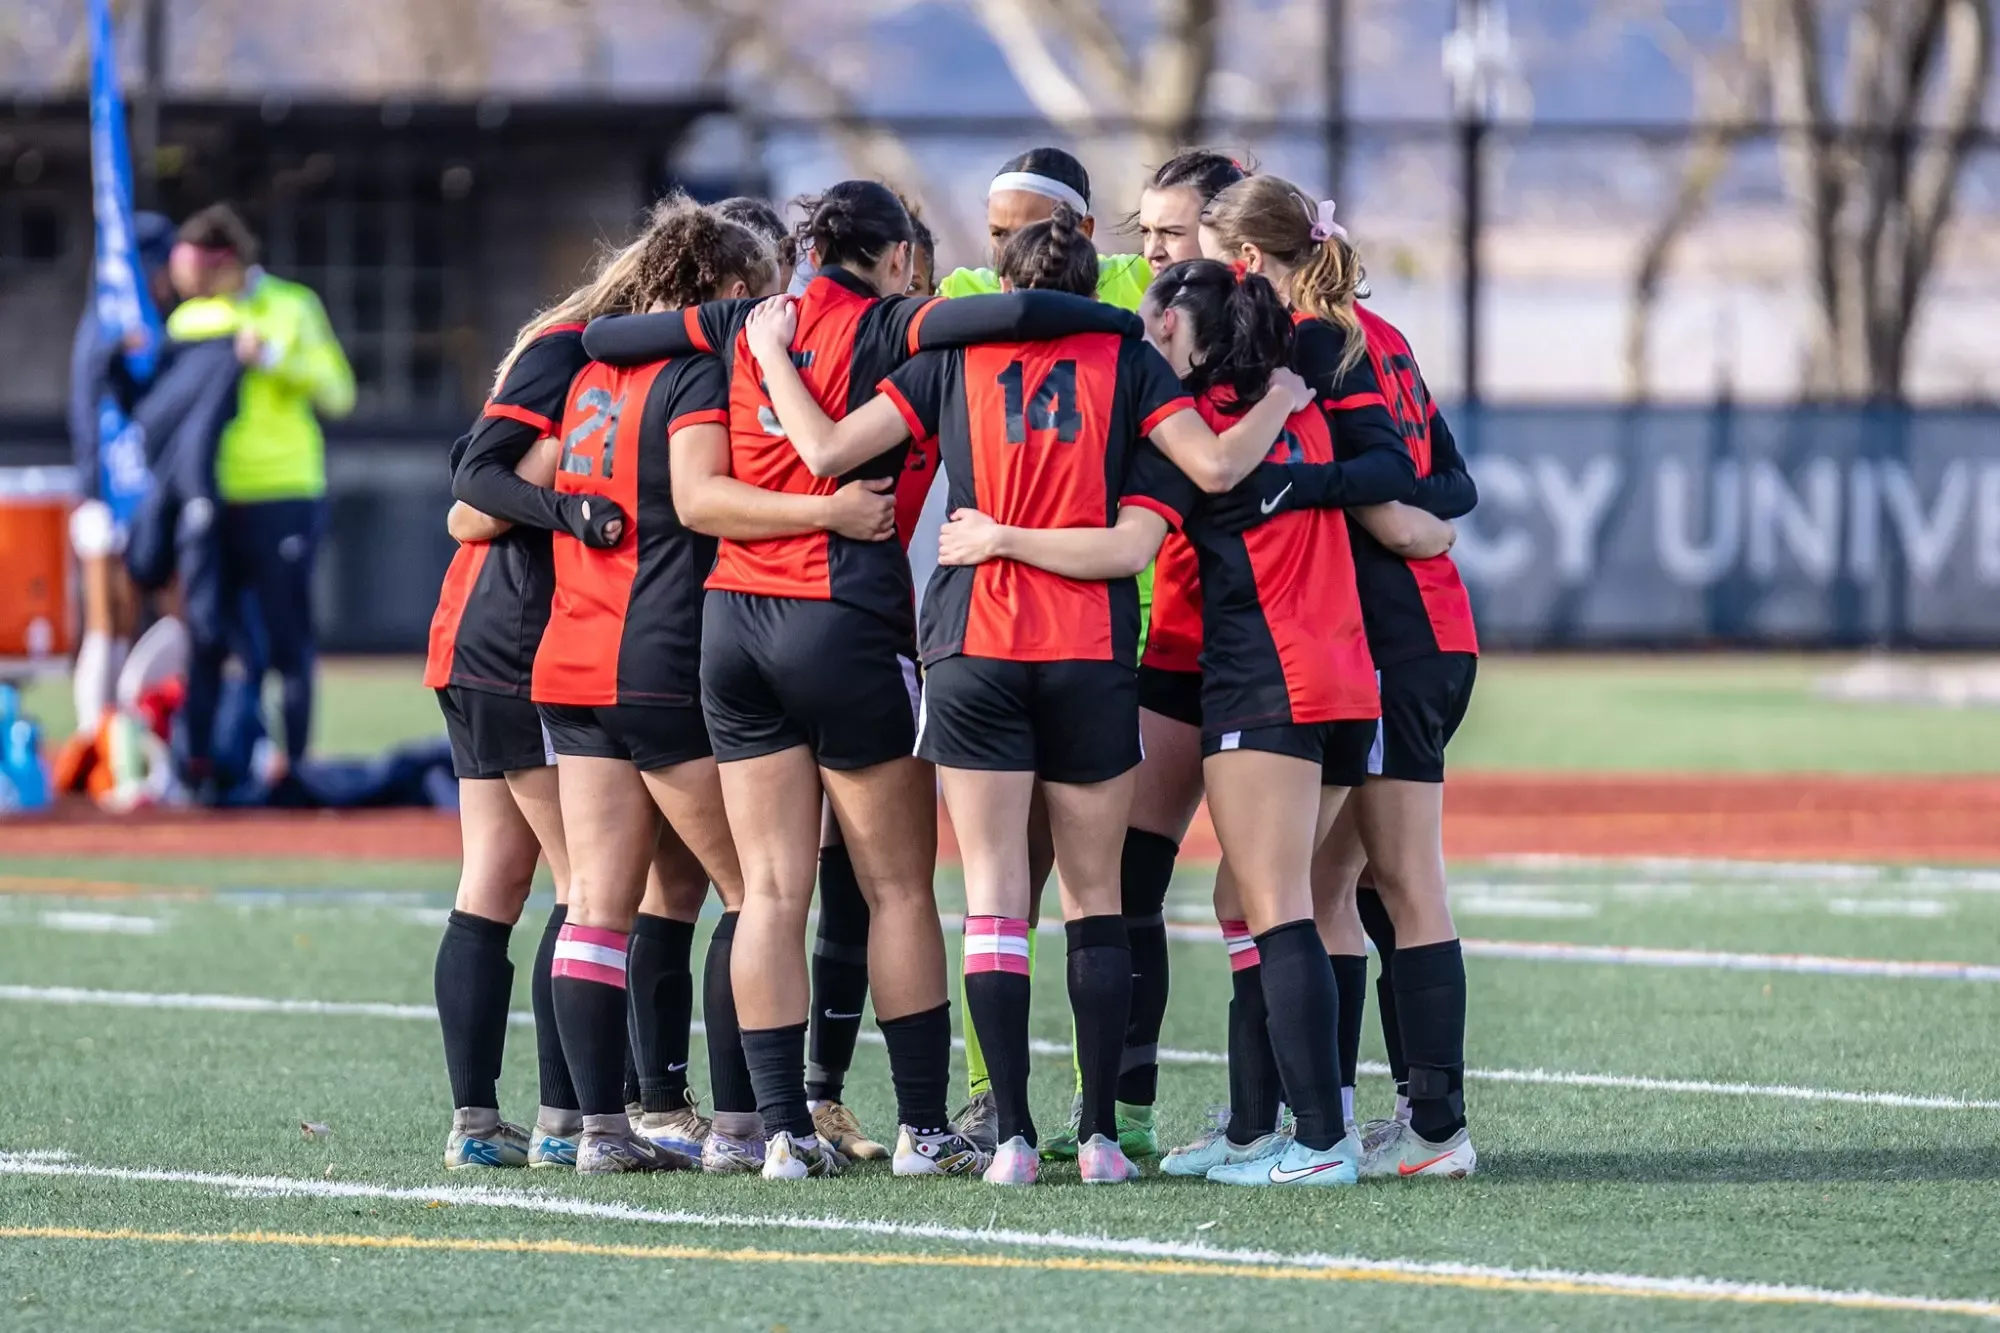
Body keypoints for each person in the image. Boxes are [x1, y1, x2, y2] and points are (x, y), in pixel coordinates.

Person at [582, 180, 1134, 1180]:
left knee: (768, 892)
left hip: (732, 625)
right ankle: (923, 1125)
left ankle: (780, 1131)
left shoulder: (743, 323)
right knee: (895, 887)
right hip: (841, 615)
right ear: (891, 260)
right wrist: (1104, 318)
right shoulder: (896, 324)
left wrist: (746, 331)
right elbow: (1011, 314)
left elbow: (604, 344)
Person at [745, 206, 1306, 1185]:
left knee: (996, 901)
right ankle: (1093, 1137)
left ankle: (1006, 1137)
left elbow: (829, 452)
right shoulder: (1127, 361)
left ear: (999, 284)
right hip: (1087, 647)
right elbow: (1207, 468)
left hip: (973, 644)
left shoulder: (946, 359)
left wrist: (769, 356)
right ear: (1093, 289)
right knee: (1095, 900)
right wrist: (1282, 396)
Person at [941, 255, 1397, 1188]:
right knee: (1252, 901)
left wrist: (998, 536)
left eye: (1157, 328)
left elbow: (1154, 523)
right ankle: (1264, 1129)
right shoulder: (1303, 405)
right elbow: (1426, 515)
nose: (1145, 344)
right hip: (1345, 675)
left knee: (1275, 903)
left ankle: (1319, 1140)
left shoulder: (1210, 427)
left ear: (1190, 332)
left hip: (1271, 678)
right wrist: (1286, 397)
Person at [425, 204, 718, 1171]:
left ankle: (486, 1120)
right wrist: (571, 507)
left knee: (505, 878)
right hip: (518, 636)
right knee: (588, 883)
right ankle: (572, 1120)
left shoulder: (592, 348)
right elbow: (472, 496)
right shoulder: (577, 346)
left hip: (484, 639)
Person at [1199, 174, 1480, 1179]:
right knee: (1333, 881)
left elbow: (1393, 476)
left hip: (1393, 638)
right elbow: (1449, 483)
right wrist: (1418, 520)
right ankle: (1343, 1114)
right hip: (1426, 632)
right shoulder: (1379, 330)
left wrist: (1301, 489)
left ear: (1243, 261)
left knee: (1394, 879)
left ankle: (1432, 1125)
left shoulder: (1319, 340)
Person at [1035, 147, 1254, 1165]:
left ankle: (1304, 1112)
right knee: (1130, 874)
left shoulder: (1303, 349)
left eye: (1172, 233)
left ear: (1235, 240)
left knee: (1290, 894)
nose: (1152, 251)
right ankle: (1124, 1108)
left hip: (1275, 658)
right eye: (1148, 232)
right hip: (1170, 644)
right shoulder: (1145, 339)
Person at [164, 204, 354, 794]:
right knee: (207, 635)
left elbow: (337, 392)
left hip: (283, 494)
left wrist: (271, 357)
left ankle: (294, 768)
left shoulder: (292, 307)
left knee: (288, 639)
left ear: (226, 263)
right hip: (210, 499)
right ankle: (200, 769)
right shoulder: (190, 323)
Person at [68, 210, 178, 739]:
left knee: (135, 618)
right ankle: (97, 734)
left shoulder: (151, 329)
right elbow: (96, 396)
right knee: (107, 621)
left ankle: (125, 730)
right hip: (105, 494)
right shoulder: (104, 328)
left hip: (142, 496)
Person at [938, 148, 1150, 311]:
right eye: (999, 234)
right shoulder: (958, 292)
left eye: (1029, 234)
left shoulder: (1138, 280)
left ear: (1084, 230)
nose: (1013, 249)